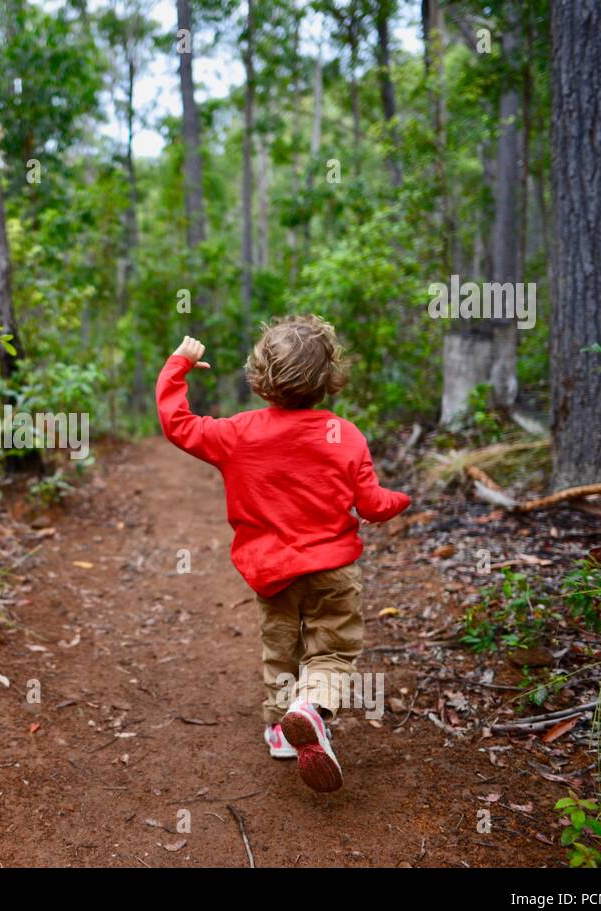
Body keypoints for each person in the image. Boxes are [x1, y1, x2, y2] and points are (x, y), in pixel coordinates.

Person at [156, 316, 411, 792]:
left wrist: (179, 366)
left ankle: (280, 730)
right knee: (332, 650)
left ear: (261, 377)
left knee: (281, 649)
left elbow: (178, 425)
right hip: (333, 569)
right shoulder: (345, 436)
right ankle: (310, 708)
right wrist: (402, 499)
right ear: (329, 380)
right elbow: (373, 506)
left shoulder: (238, 433)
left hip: (271, 573)